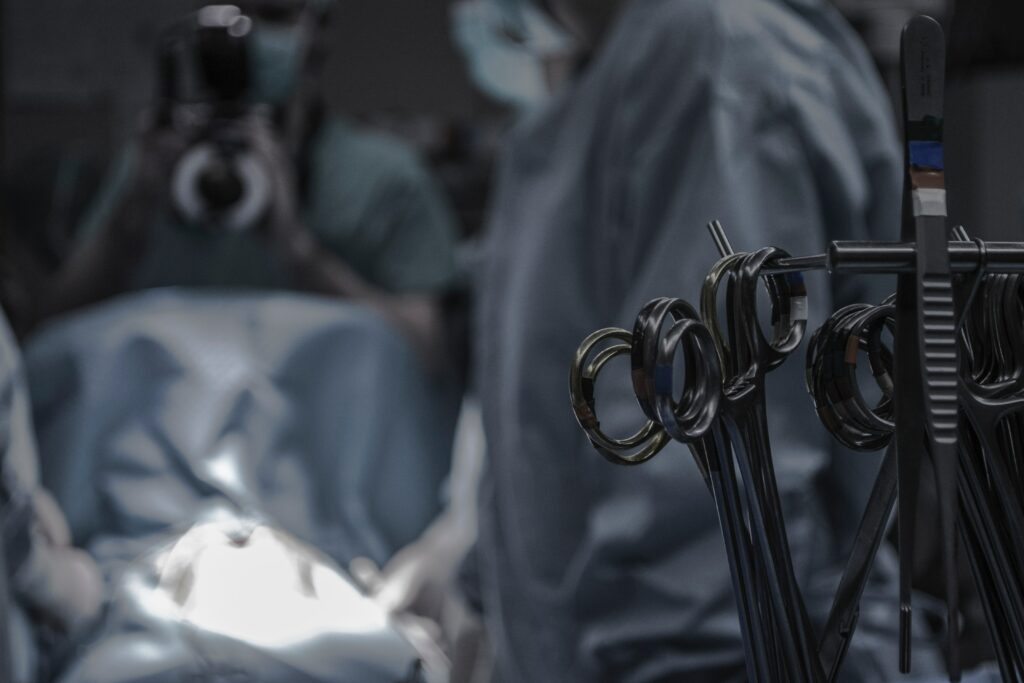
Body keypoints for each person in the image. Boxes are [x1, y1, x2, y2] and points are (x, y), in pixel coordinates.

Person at [451, 0, 943, 680]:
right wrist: (479, 584)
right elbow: (545, 429)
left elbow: (706, 543)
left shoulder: (711, 57)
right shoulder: (607, 85)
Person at [32, 0, 459, 367]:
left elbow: (428, 356)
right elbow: (46, 337)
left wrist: (301, 256)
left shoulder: (386, 183)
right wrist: (129, 218)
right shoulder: (152, 172)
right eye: (233, 9)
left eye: (273, 13)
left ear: (320, 28)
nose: (247, 32)